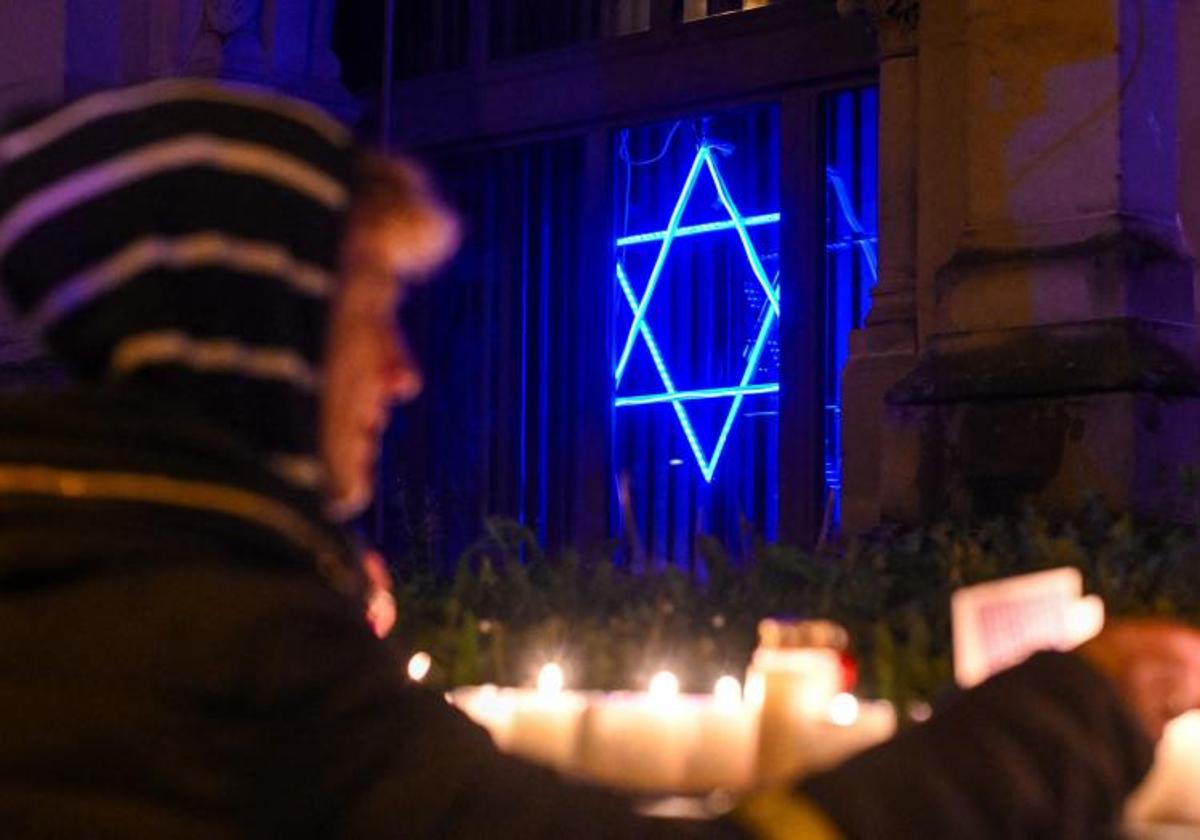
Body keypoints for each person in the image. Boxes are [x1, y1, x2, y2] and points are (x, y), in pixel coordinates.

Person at [0, 78, 1195, 839]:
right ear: (255, 330)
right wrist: (1081, 712)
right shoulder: (224, 653)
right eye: (369, 308)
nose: (407, 373)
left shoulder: (112, 578)